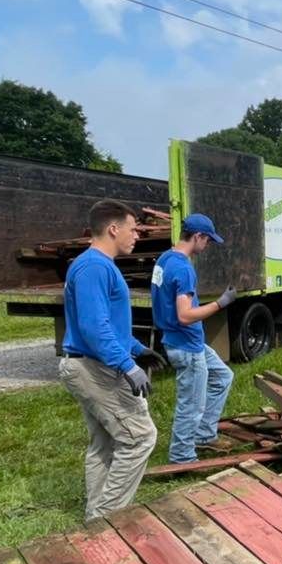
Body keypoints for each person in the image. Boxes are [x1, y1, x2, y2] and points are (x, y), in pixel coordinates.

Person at [58, 199, 161, 521]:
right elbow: (92, 325)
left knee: (105, 443)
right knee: (140, 438)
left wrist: (136, 348)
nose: (137, 236)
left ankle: (95, 518)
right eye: (133, 229)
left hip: (91, 364)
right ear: (114, 228)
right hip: (93, 369)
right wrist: (127, 365)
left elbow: (108, 324)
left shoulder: (98, 265)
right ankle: (107, 520)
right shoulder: (94, 267)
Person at [150, 213, 237, 464]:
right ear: (197, 236)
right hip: (186, 345)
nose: (207, 246)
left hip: (183, 341)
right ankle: (182, 456)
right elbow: (185, 315)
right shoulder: (183, 268)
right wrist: (220, 303)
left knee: (223, 376)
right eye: (207, 240)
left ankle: (204, 435)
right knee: (191, 405)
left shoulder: (165, 259)